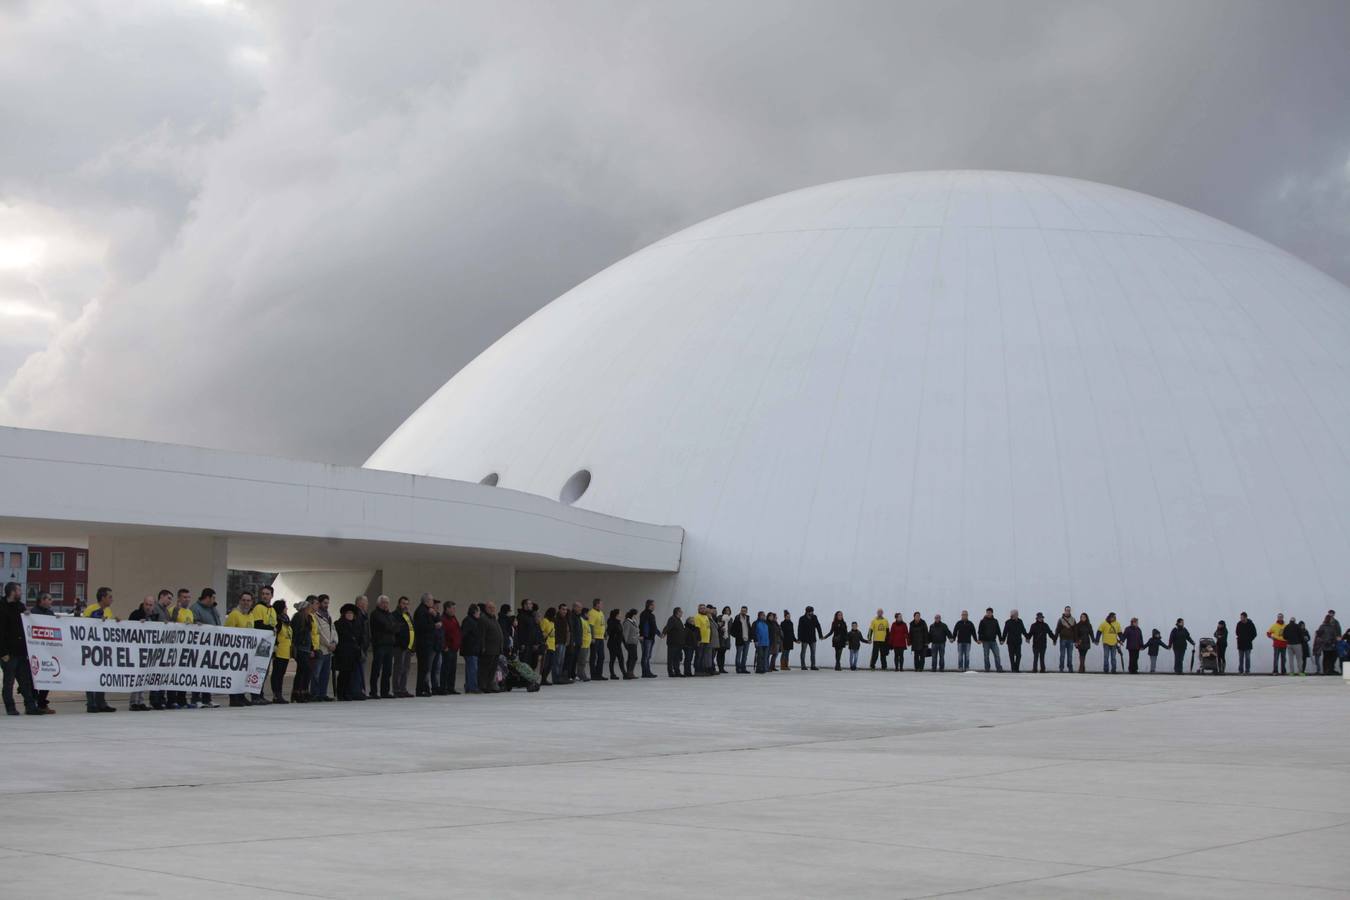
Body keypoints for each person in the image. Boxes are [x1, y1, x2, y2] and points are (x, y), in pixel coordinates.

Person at [1, 581, 47, 716]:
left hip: (21, 651)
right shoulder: (2, 607)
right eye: (19, 591)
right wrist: (3, 652)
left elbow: (29, 623)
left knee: (25, 681)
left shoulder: (20, 606)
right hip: (8, 652)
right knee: (8, 682)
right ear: (12, 592)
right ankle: (10, 707)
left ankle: (30, 706)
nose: (21, 593)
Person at [82, 586, 118, 713]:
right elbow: (83, 626)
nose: (112, 599)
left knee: (101, 675)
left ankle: (101, 702)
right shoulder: (91, 609)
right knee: (91, 675)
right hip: (92, 648)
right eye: (110, 597)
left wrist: (116, 622)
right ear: (103, 598)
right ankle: (91, 703)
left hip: (104, 649)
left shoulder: (108, 610)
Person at [192, 588, 224, 708]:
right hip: (200, 646)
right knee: (198, 673)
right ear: (207, 597)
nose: (214, 600)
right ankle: (196, 698)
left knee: (208, 673)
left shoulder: (213, 609)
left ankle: (207, 698)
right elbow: (194, 623)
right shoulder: (195, 608)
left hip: (212, 646)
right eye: (213, 597)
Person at [224, 594, 257, 707]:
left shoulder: (251, 616)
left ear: (251, 602)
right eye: (243, 600)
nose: (246, 603)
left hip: (247, 653)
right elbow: (227, 632)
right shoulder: (234, 615)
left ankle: (242, 696)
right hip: (235, 652)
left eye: (248, 600)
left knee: (243, 676)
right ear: (240, 601)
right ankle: (234, 698)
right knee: (234, 675)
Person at [166, 588, 196, 709]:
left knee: (184, 674)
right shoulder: (173, 609)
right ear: (179, 598)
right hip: (175, 648)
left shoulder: (190, 612)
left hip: (186, 649)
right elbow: (170, 625)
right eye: (184, 597)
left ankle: (182, 699)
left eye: (188, 597)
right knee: (173, 675)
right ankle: (172, 700)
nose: (187, 599)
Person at [334, 603, 365, 700]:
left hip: (353, 653)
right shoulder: (339, 624)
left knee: (350, 674)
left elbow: (360, 638)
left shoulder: (356, 625)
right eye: (347, 613)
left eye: (351, 613)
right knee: (343, 674)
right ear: (344, 614)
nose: (350, 615)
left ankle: (347, 693)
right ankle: (341, 693)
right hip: (343, 652)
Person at [310, 595, 338, 701]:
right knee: (316, 673)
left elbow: (333, 629)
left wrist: (335, 642)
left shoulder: (328, 615)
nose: (327, 605)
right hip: (321, 648)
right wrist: (328, 644)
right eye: (324, 603)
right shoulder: (316, 615)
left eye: (328, 603)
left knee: (326, 673)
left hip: (329, 650)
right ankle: (315, 694)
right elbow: (320, 632)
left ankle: (323, 693)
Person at [411, 593, 438, 697]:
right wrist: (434, 625)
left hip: (428, 643)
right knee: (423, 668)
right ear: (426, 601)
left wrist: (434, 615)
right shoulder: (421, 611)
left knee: (426, 668)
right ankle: (420, 689)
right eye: (431, 600)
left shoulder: (428, 610)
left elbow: (437, 619)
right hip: (423, 643)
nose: (433, 602)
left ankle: (425, 689)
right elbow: (422, 627)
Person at [290, 598, 316, 702]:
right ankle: (297, 692)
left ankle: (303, 691)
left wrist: (311, 648)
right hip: (300, 647)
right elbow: (296, 632)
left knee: (305, 670)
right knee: (303, 669)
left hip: (306, 647)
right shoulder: (298, 617)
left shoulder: (308, 618)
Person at [270, 600, 292, 703]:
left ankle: (279, 694)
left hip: (286, 652)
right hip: (279, 652)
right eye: (285, 607)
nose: (286, 609)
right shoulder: (278, 621)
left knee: (281, 674)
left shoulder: (286, 621)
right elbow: (274, 635)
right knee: (277, 674)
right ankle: (276, 695)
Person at [440, 601, 461, 694]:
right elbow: (442, 634)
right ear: (447, 608)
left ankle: (451, 687)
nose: (454, 610)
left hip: (454, 648)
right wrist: (444, 646)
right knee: (446, 669)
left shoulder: (454, 618)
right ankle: (444, 687)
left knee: (452, 669)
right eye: (453, 608)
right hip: (447, 648)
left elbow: (457, 631)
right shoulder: (443, 619)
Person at [461, 604, 483, 693]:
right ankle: (473, 687)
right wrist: (472, 641)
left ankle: (469, 687)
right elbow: (464, 634)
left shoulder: (474, 621)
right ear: (474, 612)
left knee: (470, 669)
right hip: (470, 649)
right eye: (478, 611)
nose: (479, 613)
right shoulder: (469, 621)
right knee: (472, 669)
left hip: (473, 649)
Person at [586, 599, 606, 681]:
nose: (602, 605)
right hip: (595, 638)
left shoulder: (601, 612)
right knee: (593, 657)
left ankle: (599, 674)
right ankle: (593, 675)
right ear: (597, 604)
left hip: (601, 637)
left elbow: (602, 624)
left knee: (601, 656)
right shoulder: (592, 613)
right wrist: (592, 637)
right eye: (601, 604)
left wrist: (605, 633)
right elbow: (591, 626)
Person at [977, 608, 1003, 672]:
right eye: (987, 612)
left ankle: (999, 668)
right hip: (985, 642)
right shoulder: (982, 621)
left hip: (993, 641)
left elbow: (998, 631)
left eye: (989, 612)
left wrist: (1000, 639)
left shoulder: (995, 621)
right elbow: (980, 631)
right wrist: (980, 639)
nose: (988, 613)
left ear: (992, 613)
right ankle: (987, 668)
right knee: (986, 656)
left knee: (997, 655)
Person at [798, 606, 823, 670]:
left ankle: (813, 665)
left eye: (812, 611)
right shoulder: (802, 618)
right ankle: (803, 666)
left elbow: (818, 626)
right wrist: (799, 638)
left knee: (813, 653)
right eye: (811, 611)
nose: (812, 613)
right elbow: (799, 629)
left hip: (812, 638)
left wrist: (820, 635)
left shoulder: (814, 617)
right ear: (807, 612)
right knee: (803, 652)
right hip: (804, 638)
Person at [639, 599, 659, 678]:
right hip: (646, 638)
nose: (654, 606)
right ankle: (645, 673)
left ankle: (648, 672)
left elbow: (654, 627)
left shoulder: (652, 615)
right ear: (649, 605)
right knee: (645, 656)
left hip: (651, 638)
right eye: (653, 605)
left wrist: (659, 634)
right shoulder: (644, 614)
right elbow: (641, 625)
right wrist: (641, 635)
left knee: (648, 656)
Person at [663, 607, 685, 677]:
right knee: (671, 658)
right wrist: (663, 633)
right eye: (681, 611)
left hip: (679, 643)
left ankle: (677, 671)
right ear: (677, 612)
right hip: (672, 643)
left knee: (677, 658)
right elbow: (667, 627)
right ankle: (671, 672)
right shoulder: (672, 619)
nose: (682, 613)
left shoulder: (679, 620)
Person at [730, 606, 752, 673]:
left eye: (744, 611)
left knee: (745, 655)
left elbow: (749, 628)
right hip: (740, 640)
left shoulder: (747, 618)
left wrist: (751, 637)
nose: (743, 612)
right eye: (742, 610)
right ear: (740, 611)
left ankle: (743, 668)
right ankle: (738, 668)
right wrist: (737, 636)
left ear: (746, 611)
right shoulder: (737, 618)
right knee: (738, 655)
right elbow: (732, 630)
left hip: (747, 640)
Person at [692, 604, 712, 676]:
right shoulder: (697, 617)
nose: (703, 610)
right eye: (701, 608)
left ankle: (702, 670)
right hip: (701, 640)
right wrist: (698, 639)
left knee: (703, 656)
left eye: (704, 608)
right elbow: (697, 629)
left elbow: (708, 628)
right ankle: (697, 670)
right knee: (699, 656)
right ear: (698, 609)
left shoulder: (706, 616)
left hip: (706, 640)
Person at [539, 606, 557, 686]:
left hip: (552, 645)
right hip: (547, 645)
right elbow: (541, 632)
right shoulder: (545, 621)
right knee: (546, 663)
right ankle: (543, 678)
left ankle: (545, 678)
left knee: (551, 663)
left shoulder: (552, 622)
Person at [606, 609, 624, 679]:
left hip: (618, 644)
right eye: (620, 613)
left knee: (621, 659)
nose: (621, 615)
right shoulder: (612, 622)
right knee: (613, 659)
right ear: (617, 614)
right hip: (612, 644)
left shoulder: (618, 622)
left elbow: (621, 634)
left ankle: (624, 673)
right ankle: (612, 674)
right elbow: (609, 631)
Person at [1056, 607, 1076, 673]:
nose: (1068, 611)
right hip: (1063, 639)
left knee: (1070, 655)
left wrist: (1076, 640)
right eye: (1067, 610)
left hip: (1070, 640)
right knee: (1062, 655)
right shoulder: (1061, 619)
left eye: (1069, 610)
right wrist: (1055, 639)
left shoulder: (1073, 620)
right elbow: (1057, 630)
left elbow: (1075, 631)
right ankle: (1061, 668)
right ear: (1064, 611)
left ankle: (1070, 668)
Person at [622, 609, 640, 679]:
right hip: (630, 643)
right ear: (633, 614)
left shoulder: (633, 622)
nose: (637, 616)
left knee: (631, 657)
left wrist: (638, 637)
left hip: (634, 642)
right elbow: (625, 634)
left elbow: (635, 632)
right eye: (636, 614)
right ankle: (629, 672)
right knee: (634, 657)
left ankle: (630, 672)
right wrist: (626, 644)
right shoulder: (627, 622)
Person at [717, 606, 732, 674]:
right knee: (720, 652)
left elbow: (731, 628)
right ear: (724, 611)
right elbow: (718, 625)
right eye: (726, 610)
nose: (727, 611)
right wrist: (720, 628)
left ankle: (722, 668)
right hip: (721, 637)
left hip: (727, 637)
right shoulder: (720, 617)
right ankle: (720, 667)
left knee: (723, 653)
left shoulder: (730, 619)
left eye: (728, 610)